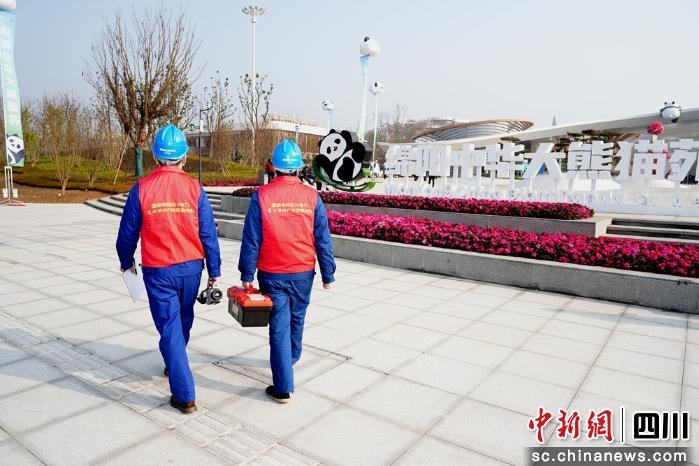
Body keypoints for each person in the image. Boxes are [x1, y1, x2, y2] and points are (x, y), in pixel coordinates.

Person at [116, 124, 221, 414]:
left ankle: (184, 395)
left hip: (159, 270)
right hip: (191, 269)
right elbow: (208, 233)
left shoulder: (142, 189)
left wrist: (126, 262)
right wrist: (214, 270)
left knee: (170, 325)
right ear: (184, 157)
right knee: (182, 319)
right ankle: (175, 362)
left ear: (155, 156)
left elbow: (127, 235)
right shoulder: (195, 188)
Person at [238, 139, 336, 403]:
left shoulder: (261, 196)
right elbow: (323, 239)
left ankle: (283, 384)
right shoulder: (312, 197)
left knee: (279, 326)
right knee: (297, 319)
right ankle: (289, 360)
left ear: (274, 166)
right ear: (299, 167)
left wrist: (246, 274)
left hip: (272, 273)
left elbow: (252, 239)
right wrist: (328, 273)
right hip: (303, 272)